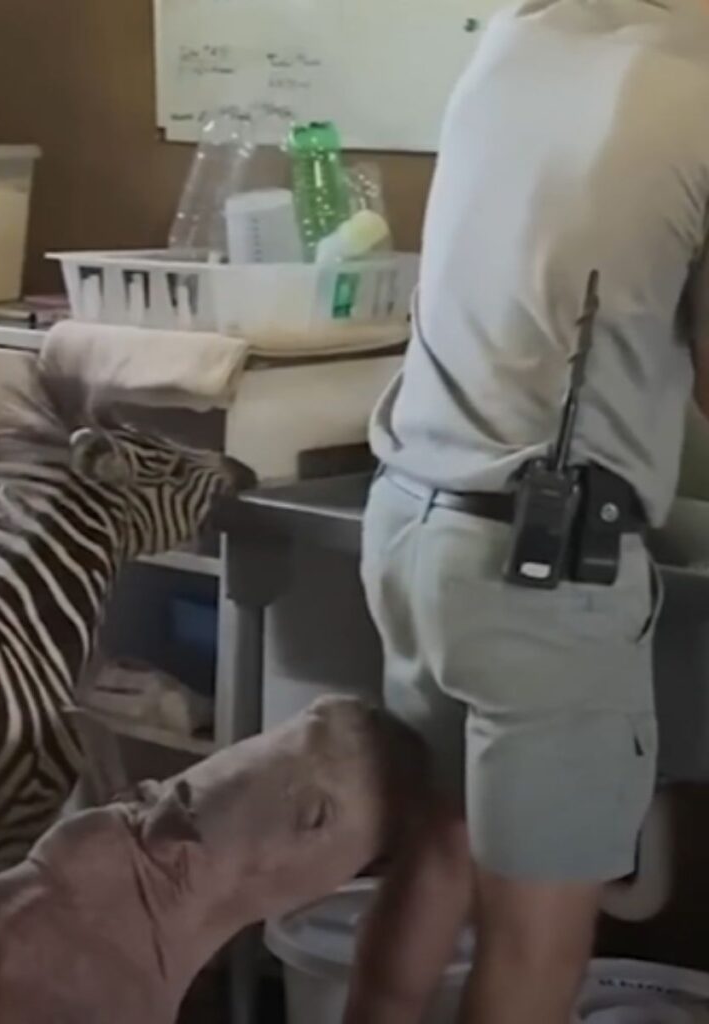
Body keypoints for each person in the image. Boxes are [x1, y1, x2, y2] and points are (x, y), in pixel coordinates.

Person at [344, 2, 709, 1022]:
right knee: (536, 956)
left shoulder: (520, 33)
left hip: (413, 527)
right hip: (543, 578)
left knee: (436, 851)